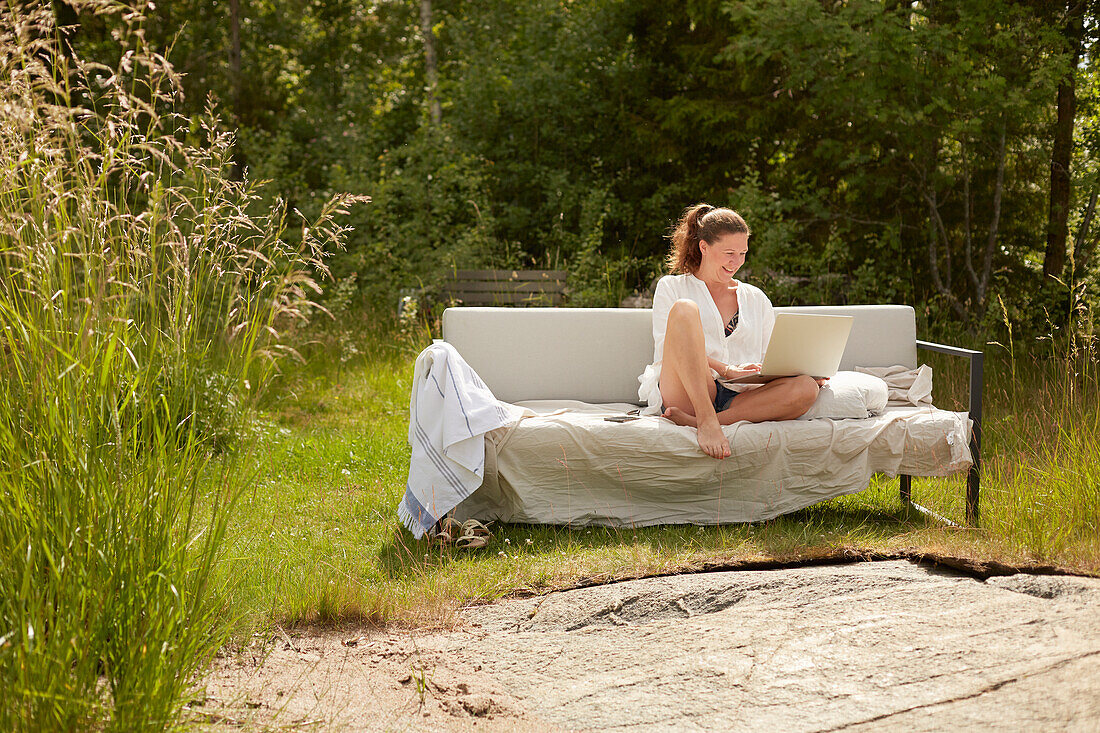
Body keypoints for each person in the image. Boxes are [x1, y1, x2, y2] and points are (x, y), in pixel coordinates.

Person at [637, 203, 822, 459]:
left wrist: (802, 371)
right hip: (687, 391)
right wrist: (725, 369)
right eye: (729, 253)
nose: (736, 262)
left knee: (806, 387)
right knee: (684, 310)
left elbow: (771, 357)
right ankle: (705, 419)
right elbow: (668, 352)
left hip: (740, 396)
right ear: (704, 247)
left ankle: (703, 421)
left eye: (743, 253)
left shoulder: (756, 298)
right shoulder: (672, 287)